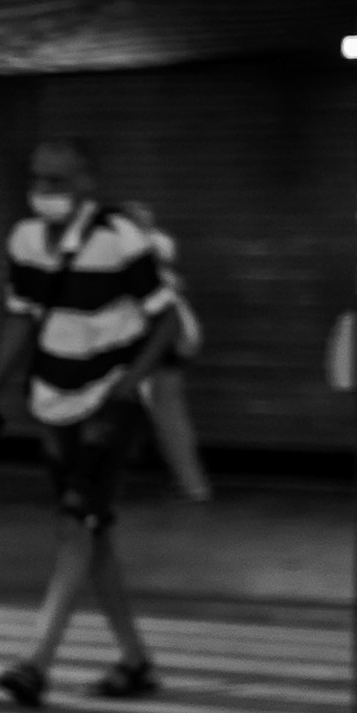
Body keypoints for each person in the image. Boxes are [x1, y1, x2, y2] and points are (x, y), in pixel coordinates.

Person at [0, 137, 177, 707]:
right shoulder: (23, 240)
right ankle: (136, 661)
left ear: (88, 183)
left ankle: (36, 661)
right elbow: (22, 318)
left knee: (77, 524)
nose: (44, 192)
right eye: (38, 179)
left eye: (58, 181)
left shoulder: (120, 240)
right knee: (95, 535)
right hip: (53, 404)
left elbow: (166, 323)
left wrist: (128, 380)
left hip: (107, 405)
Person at [130, 207, 216, 501]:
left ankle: (192, 484)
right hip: (176, 339)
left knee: (168, 413)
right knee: (163, 409)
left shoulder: (144, 255)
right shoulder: (158, 256)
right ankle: (189, 481)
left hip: (167, 340)